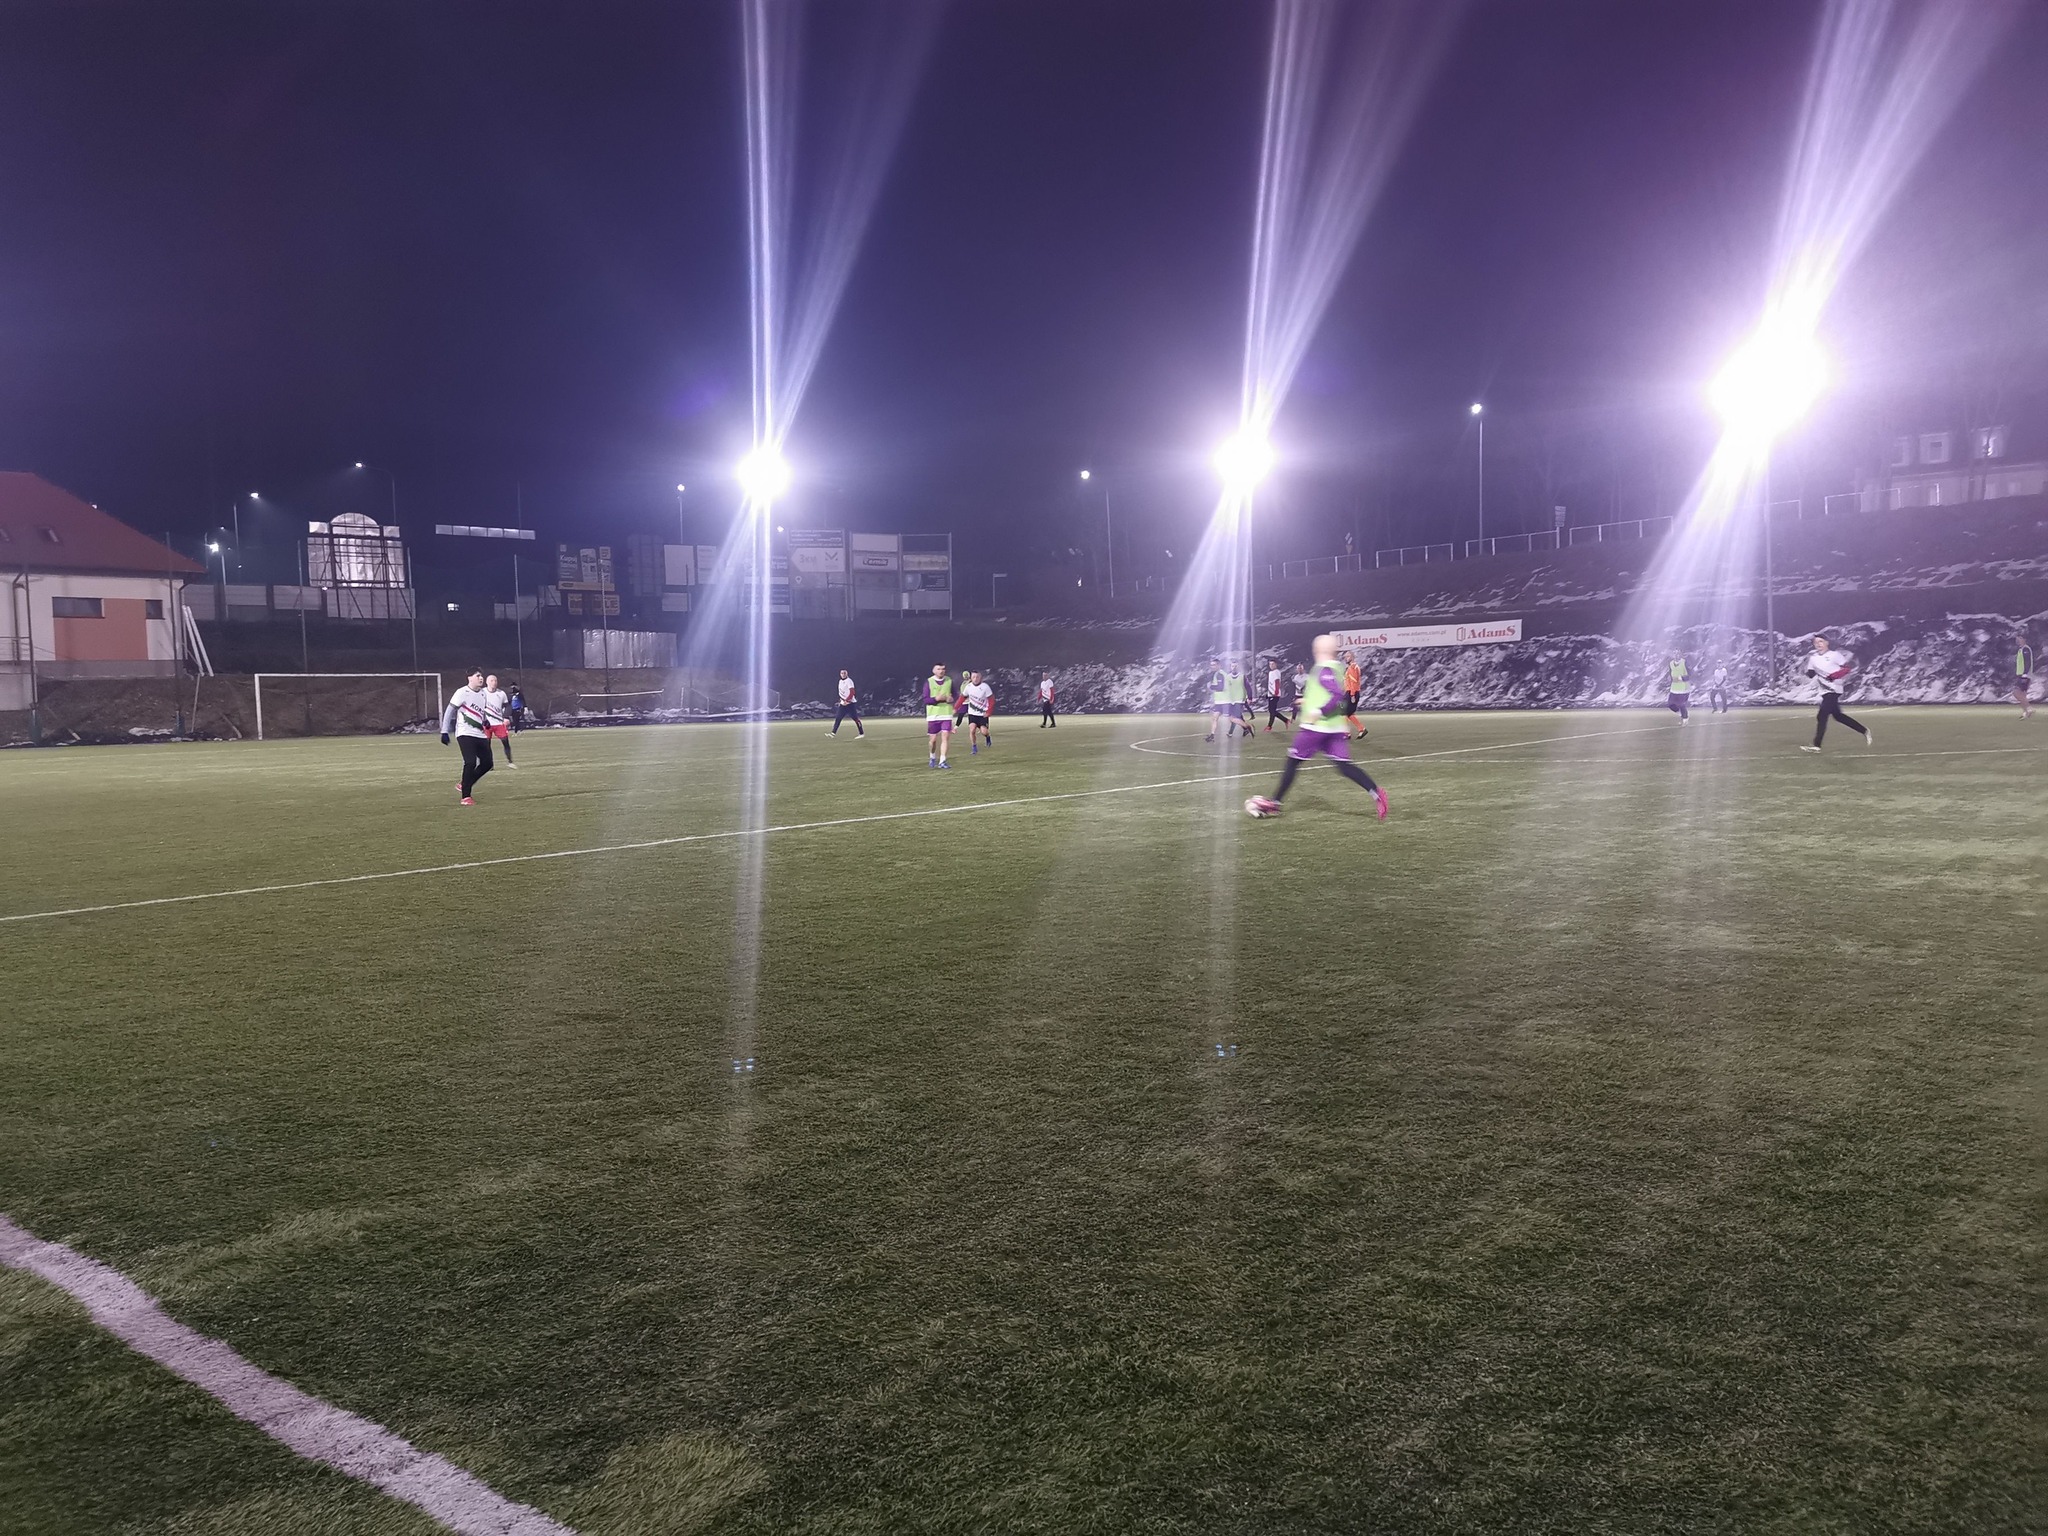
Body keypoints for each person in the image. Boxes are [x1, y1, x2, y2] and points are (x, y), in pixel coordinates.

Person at [1246, 634, 1389, 821]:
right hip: (1335, 728)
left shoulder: (1324, 669)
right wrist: (1307, 701)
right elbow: (1331, 695)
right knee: (1344, 766)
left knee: (1293, 761)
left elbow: (1336, 695)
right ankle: (1376, 793)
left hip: (1316, 728)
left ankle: (1275, 803)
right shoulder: (1338, 668)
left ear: (1320, 650)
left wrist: (1319, 711)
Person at [1799, 633, 1872, 752]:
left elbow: (1847, 668)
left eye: (1821, 641)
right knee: (1838, 716)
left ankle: (1817, 745)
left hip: (1834, 689)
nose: (1818, 644)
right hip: (1824, 690)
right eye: (1816, 642)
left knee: (1822, 715)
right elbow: (1811, 674)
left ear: (1827, 643)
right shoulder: (1813, 658)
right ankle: (1864, 730)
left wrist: (1834, 675)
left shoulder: (1835, 655)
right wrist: (1807, 671)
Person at [440, 669, 496, 805]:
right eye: (478, 676)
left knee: (488, 763)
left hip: (479, 734)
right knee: (470, 762)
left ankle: (465, 783)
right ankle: (466, 797)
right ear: (469, 678)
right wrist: (444, 731)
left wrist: (485, 721)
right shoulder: (462, 692)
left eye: (481, 676)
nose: (481, 678)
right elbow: (450, 711)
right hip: (465, 733)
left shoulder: (483, 693)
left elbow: (481, 711)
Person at [922, 663, 956, 768]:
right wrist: (936, 699)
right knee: (933, 741)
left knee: (945, 737)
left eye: (943, 669)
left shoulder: (949, 681)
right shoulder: (929, 682)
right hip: (933, 715)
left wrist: (951, 699)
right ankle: (932, 756)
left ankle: (942, 761)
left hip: (946, 714)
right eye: (938, 669)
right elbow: (925, 699)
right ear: (934, 671)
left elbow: (955, 695)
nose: (941, 671)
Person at [482, 673, 517, 765]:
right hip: (487, 724)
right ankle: (489, 764)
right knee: (486, 745)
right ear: (487, 682)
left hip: (498, 723)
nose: (494, 682)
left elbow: (507, 706)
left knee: (505, 742)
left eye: (495, 681)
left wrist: (506, 717)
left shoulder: (501, 693)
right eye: (492, 681)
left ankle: (510, 762)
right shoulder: (482, 693)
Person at [963, 671, 995, 753]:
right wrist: (956, 707)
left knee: (984, 732)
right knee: (972, 730)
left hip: (982, 714)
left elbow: (991, 700)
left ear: (981, 678)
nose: (975, 679)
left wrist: (989, 711)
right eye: (973, 677)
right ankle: (974, 747)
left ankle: (987, 737)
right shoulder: (968, 687)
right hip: (972, 714)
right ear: (971, 678)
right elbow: (962, 697)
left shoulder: (985, 687)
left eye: (977, 677)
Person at [831, 669, 865, 737]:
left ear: (847, 674)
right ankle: (833, 733)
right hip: (843, 704)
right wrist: (841, 700)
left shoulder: (849, 681)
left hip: (850, 704)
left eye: (844, 673)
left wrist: (847, 700)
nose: (843, 674)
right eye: (842, 673)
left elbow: (852, 692)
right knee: (838, 718)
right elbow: (841, 692)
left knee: (855, 719)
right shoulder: (840, 681)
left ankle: (861, 733)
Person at [1341, 652, 1367, 738]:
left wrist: (1352, 695)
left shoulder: (1353, 667)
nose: (1346, 658)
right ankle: (1361, 729)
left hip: (1352, 692)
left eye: (1348, 656)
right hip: (1350, 692)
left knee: (1344, 713)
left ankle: (1348, 733)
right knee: (1347, 713)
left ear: (1352, 657)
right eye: (1345, 657)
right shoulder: (1351, 667)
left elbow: (1353, 682)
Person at [1664, 653, 1692, 725]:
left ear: (1680, 654)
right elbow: (1671, 674)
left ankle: (1685, 719)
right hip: (1674, 688)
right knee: (1670, 704)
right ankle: (1682, 714)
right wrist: (1669, 679)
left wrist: (1680, 678)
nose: (1676, 655)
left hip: (1684, 688)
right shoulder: (1671, 663)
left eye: (1678, 653)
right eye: (1675, 653)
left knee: (1681, 704)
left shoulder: (1685, 662)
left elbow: (1690, 674)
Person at [1263, 659, 1288, 733]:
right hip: (1271, 694)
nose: (1271, 665)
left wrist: (1276, 692)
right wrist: (1268, 694)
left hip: (1274, 694)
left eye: (1273, 664)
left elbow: (1277, 682)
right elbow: (1271, 684)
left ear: (1276, 665)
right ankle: (1286, 720)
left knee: (1272, 711)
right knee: (1272, 710)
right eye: (1270, 664)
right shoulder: (1271, 672)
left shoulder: (1276, 672)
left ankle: (1269, 726)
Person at [2015, 641, 2034, 719]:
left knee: (2016, 692)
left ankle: (2029, 709)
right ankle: (2025, 712)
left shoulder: (2026, 649)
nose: (2017, 640)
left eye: (2020, 638)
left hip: (2024, 675)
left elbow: (2027, 662)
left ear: (2024, 639)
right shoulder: (2021, 649)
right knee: (2023, 695)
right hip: (2021, 674)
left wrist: (2025, 674)